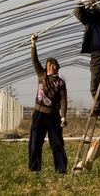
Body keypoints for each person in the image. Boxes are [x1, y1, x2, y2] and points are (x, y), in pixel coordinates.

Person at [28, 33, 68, 173]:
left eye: (53, 65)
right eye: (48, 65)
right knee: (35, 143)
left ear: (57, 67)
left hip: (53, 116)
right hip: (39, 114)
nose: (50, 67)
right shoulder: (41, 75)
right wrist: (33, 44)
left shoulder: (60, 83)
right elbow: (34, 60)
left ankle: (61, 169)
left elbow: (63, 101)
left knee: (57, 144)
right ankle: (35, 169)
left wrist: (63, 117)